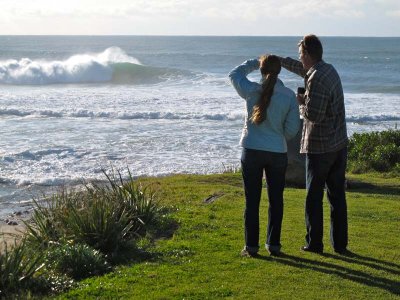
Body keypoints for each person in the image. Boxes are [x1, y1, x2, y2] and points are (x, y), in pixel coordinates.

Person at [276, 34, 349, 254]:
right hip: (338, 144)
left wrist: (301, 102)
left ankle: (315, 243)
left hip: (321, 147)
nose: (300, 58)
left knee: (313, 197)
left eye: (301, 54)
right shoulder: (328, 69)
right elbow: (302, 69)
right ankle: (340, 244)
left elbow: (314, 115)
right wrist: (280, 60)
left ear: (307, 53)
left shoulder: (316, 77)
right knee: (336, 196)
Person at [229, 55, 300, 257]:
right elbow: (292, 129)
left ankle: (251, 247)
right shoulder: (288, 95)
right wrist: (278, 138)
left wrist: (253, 61)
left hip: (252, 149)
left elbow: (234, 74)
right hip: (277, 152)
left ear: (261, 70)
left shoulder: (251, 91)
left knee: (252, 200)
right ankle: (274, 245)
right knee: (276, 200)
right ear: (279, 72)